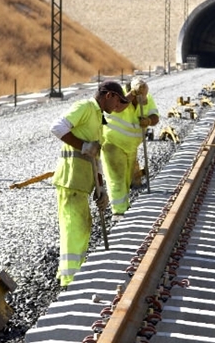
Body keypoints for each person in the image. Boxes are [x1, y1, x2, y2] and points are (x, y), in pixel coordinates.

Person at [50, 80, 130, 286]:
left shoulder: (98, 117)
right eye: (118, 101)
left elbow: (96, 157)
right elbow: (57, 127)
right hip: (71, 179)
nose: (118, 106)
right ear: (109, 95)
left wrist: (101, 189)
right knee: (75, 228)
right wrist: (84, 146)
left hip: (82, 182)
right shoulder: (85, 107)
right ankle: (70, 280)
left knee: (83, 226)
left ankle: (68, 274)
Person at [102, 77, 160, 214]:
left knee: (127, 180)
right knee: (117, 178)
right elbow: (117, 108)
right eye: (138, 97)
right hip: (112, 144)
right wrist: (131, 95)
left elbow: (155, 116)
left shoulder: (147, 97)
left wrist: (149, 121)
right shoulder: (118, 95)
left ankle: (124, 207)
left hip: (131, 147)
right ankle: (119, 212)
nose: (141, 101)